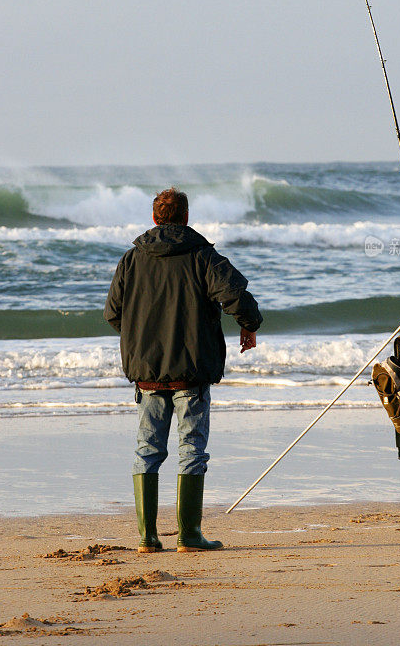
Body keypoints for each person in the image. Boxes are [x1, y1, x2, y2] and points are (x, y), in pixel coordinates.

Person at [104, 187, 262, 553]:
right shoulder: (203, 256)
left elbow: (114, 313)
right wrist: (249, 324)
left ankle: (147, 538)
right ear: (186, 218)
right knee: (191, 449)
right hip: (190, 372)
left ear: (155, 219)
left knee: (147, 450)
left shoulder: (132, 259)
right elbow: (235, 294)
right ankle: (189, 536)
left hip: (147, 372)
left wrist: (143, 336)